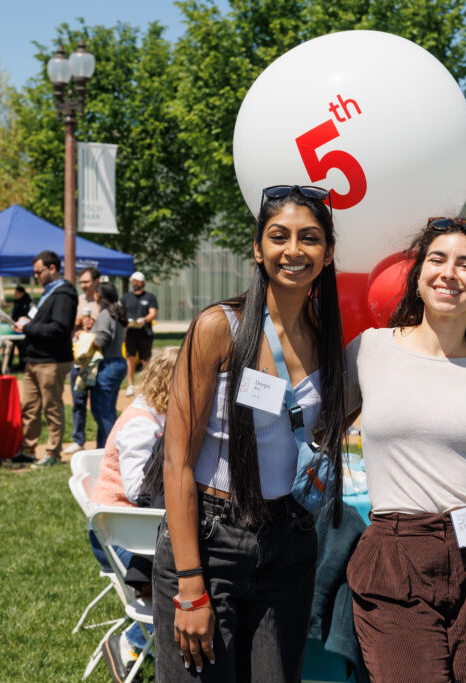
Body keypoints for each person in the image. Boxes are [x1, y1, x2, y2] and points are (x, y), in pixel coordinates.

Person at [153, 184, 347, 682]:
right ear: (257, 249)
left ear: (326, 253)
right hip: (210, 539)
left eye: (310, 238)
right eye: (278, 236)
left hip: (291, 542)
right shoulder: (220, 327)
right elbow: (176, 461)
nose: (294, 251)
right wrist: (191, 585)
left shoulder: (328, 338)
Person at [344, 217, 466, 683]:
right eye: (437, 259)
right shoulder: (369, 351)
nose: (449, 272)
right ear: (419, 275)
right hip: (395, 554)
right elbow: (312, 425)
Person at [89, 346, 179, 682]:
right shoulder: (142, 425)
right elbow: (139, 491)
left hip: (133, 527)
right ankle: (131, 641)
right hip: (121, 533)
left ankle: (158, 646)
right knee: (180, 576)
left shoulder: (154, 414)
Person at [12, 251, 78, 466]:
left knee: (52, 407)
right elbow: (43, 321)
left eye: (38, 272)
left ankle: (52, 452)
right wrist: (26, 322)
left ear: (52, 269)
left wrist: (28, 327)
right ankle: (28, 449)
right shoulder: (48, 292)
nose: (36, 276)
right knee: (30, 407)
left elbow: (60, 328)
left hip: (52, 360)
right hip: (34, 359)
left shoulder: (64, 294)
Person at [65, 267, 101, 455]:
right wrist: (77, 324)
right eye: (81, 282)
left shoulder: (102, 301)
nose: (83, 286)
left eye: (86, 282)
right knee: (78, 401)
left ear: (97, 281)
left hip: (96, 359)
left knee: (98, 404)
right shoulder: (77, 301)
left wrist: (94, 325)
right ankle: (78, 440)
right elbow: (67, 328)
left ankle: (103, 441)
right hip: (78, 358)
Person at [90, 281, 129, 449]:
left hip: (108, 365)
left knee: (101, 410)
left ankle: (115, 447)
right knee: (108, 410)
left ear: (99, 295)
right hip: (118, 363)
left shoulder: (105, 314)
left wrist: (84, 338)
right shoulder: (117, 312)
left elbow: (102, 339)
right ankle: (102, 449)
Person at [122, 271, 158, 397]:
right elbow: (121, 312)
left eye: (137, 281)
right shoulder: (126, 297)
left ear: (142, 283)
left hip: (145, 333)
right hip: (131, 333)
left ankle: (146, 386)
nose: (134, 283)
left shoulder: (149, 297)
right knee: (130, 359)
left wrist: (144, 319)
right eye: (133, 281)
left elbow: (153, 313)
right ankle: (131, 385)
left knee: (145, 360)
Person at [8, 286, 33, 370]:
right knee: (13, 346)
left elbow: (28, 316)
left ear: (21, 293)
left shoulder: (26, 303)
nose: (15, 294)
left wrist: (23, 319)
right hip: (15, 328)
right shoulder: (17, 302)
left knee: (22, 347)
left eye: (16, 293)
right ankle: (10, 364)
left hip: (22, 328)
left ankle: (22, 365)